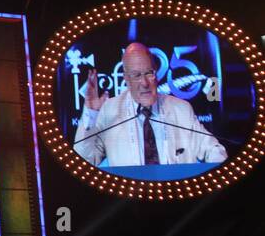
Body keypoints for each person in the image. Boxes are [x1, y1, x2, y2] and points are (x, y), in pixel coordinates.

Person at [75, 42, 226, 168]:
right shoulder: (110, 111)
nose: (145, 83)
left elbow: (214, 150)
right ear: (126, 79)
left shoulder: (181, 109)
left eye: (149, 73)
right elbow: (84, 161)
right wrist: (91, 113)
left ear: (157, 74)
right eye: (136, 75)